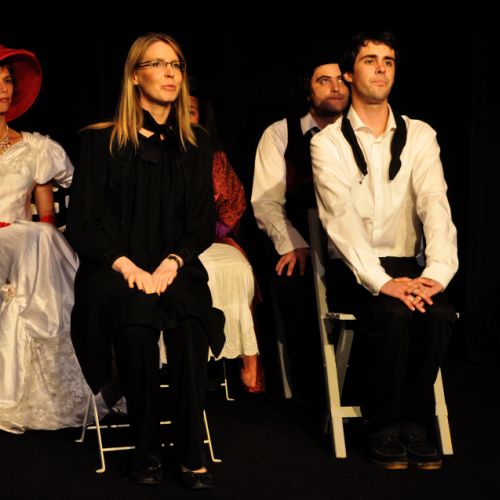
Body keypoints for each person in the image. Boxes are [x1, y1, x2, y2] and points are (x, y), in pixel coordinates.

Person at [66, 33, 224, 490]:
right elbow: (84, 223)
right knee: (135, 322)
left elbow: (201, 223)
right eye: (157, 64)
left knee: (190, 320)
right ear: (135, 77)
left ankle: (191, 451)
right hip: (112, 269)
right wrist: (128, 267)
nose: (170, 73)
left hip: (173, 266)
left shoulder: (196, 143)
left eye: (176, 65)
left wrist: (172, 263)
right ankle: (145, 447)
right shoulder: (99, 141)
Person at [311, 31, 458, 470]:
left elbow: (436, 204)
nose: (381, 68)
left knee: (438, 313)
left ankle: (416, 424)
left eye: (388, 61)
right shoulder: (327, 143)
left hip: (410, 264)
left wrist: (437, 274)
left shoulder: (420, 134)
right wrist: (381, 281)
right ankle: (382, 426)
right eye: (370, 59)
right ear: (348, 74)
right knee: (392, 313)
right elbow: (340, 220)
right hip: (355, 268)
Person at [251, 45, 349, 404]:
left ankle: (356, 381)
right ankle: (311, 391)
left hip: (350, 239)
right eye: (324, 81)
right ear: (308, 90)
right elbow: (266, 201)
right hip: (300, 234)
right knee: (294, 285)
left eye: (341, 80)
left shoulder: (361, 133)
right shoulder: (280, 133)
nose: (335, 87)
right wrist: (293, 243)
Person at [0, 44, 88, 433]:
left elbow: (58, 202)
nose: (3, 89)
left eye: (7, 81)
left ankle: (55, 379)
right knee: (38, 241)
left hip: (23, 243)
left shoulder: (36, 148)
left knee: (42, 239)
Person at [189, 93, 264, 393]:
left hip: (213, 239)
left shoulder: (215, 158)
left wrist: (213, 231)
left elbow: (234, 200)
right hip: (167, 244)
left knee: (238, 269)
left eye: (191, 112)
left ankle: (250, 362)